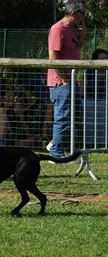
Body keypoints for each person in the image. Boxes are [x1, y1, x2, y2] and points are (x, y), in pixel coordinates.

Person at [47, 0, 86, 157]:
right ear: (73, 13)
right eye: (82, 13)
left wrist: (82, 34)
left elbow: (78, 48)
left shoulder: (72, 29)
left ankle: (57, 144)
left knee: (74, 114)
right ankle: (56, 152)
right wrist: (63, 78)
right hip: (61, 81)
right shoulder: (58, 29)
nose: (83, 17)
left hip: (71, 79)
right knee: (62, 116)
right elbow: (53, 57)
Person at [83, 48, 108, 148]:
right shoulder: (89, 72)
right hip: (91, 100)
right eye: (101, 59)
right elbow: (85, 87)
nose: (104, 62)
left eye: (106, 59)